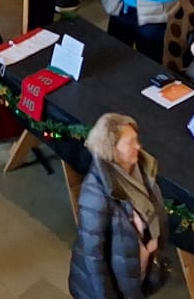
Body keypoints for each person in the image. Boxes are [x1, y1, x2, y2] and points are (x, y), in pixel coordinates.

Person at [67, 112, 184, 299]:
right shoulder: (95, 195)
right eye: (130, 143)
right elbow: (94, 257)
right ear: (112, 149)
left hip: (135, 271)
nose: (138, 146)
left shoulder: (141, 170)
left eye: (136, 140)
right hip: (109, 287)